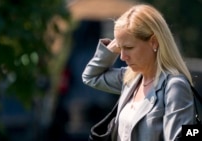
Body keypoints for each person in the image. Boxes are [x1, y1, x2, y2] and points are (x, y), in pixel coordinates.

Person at [82, 3, 196, 141]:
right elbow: (90, 76)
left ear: (154, 42)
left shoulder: (175, 87)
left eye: (129, 47)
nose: (122, 56)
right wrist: (113, 47)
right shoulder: (131, 80)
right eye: (120, 48)